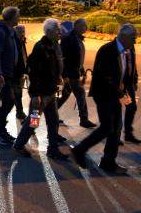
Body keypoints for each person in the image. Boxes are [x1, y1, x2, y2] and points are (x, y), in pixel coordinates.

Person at [72, 24, 138, 173]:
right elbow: (104, 77)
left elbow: (130, 75)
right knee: (108, 127)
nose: (135, 41)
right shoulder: (107, 50)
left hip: (116, 94)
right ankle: (80, 150)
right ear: (124, 36)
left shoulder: (130, 51)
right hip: (103, 94)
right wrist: (121, 95)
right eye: (133, 38)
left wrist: (131, 98)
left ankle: (108, 161)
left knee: (116, 128)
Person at [13, 19, 69, 160]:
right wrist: (35, 95)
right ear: (49, 31)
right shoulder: (40, 48)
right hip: (41, 94)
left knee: (53, 121)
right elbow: (34, 72)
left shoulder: (55, 46)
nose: (60, 31)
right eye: (57, 29)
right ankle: (19, 145)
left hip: (51, 91)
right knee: (34, 122)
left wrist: (60, 78)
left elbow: (56, 66)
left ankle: (53, 149)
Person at [0, 6, 21, 145]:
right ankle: (0, 132)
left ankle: (1, 130)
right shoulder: (1, 33)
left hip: (10, 73)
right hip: (2, 74)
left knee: (7, 101)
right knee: (8, 101)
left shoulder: (11, 31)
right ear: (11, 17)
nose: (19, 17)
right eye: (18, 15)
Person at [57, 18, 96, 128]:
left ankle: (52, 112)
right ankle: (83, 119)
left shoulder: (77, 37)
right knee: (80, 93)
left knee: (66, 93)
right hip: (70, 74)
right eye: (84, 26)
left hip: (74, 73)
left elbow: (78, 57)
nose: (86, 28)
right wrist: (64, 75)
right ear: (77, 26)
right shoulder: (68, 38)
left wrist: (82, 70)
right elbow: (63, 57)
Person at [13, 25, 28, 120]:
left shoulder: (21, 41)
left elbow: (24, 57)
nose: (23, 33)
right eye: (20, 32)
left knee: (19, 93)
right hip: (15, 73)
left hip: (21, 72)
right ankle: (19, 112)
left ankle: (19, 111)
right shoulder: (15, 42)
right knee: (17, 93)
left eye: (23, 31)